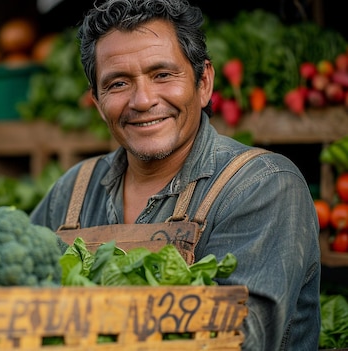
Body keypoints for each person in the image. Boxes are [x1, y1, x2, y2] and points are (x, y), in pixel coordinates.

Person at [29, 0, 321, 350]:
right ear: (96, 101)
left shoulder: (261, 186)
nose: (142, 100)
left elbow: (239, 341)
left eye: (162, 75)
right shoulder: (73, 190)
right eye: (118, 83)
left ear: (204, 83)